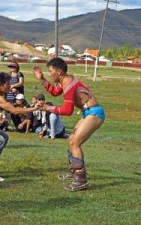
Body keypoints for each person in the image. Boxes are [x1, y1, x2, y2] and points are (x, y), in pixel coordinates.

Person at [32, 58, 105, 191]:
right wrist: (41, 79)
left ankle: (81, 180)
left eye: (50, 71)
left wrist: (48, 108)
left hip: (94, 113)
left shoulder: (69, 84)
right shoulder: (64, 81)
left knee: (75, 143)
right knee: (71, 140)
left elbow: (67, 110)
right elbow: (54, 92)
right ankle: (74, 173)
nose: (50, 74)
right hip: (88, 113)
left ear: (59, 72)